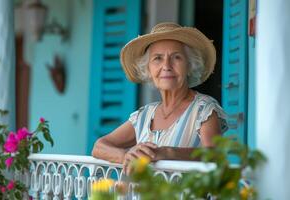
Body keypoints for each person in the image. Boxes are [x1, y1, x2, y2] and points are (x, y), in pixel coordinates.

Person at [92, 22, 228, 174]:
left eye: (176, 57)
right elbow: (99, 146)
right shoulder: (144, 115)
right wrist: (126, 156)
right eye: (157, 58)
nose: (166, 66)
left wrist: (167, 153)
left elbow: (214, 156)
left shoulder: (204, 109)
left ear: (189, 66)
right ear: (148, 69)